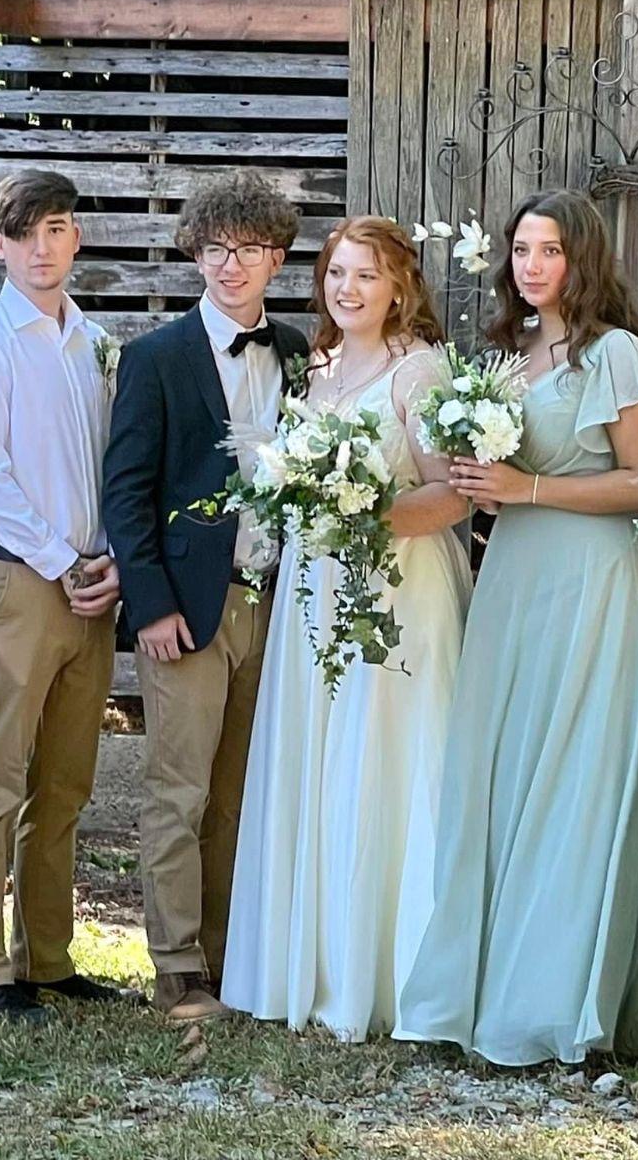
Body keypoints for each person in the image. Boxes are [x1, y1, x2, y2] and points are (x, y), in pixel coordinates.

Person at [395, 191, 638, 1064]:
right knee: (503, 773)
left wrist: (531, 490)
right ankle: (481, 988)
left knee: (574, 777)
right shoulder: (503, 359)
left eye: (548, 250)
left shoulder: (618, 356)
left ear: (581, 259)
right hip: (512, 578)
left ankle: (559, 1002)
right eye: (520, 249)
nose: (530, 265)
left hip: (592, 581)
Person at [220, 217, 472, 1040]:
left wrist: (359, 514)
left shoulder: (420, 370)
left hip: (394, 593)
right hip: (313, 588)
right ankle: (313, 963)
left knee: (385, 763)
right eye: (336, 273)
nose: (347, 289)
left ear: (399, 285)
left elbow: (450, 496)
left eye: (366, 275)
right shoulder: (317, 367)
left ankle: (393, 974)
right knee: (318, 758)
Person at [102, 169, 309, 1021]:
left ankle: (233, 958)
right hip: (188, 604)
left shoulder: (301, 356)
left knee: (241, 792)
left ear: (277, 258)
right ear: (195, 253)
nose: (231, 266)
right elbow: (125, 491)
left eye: (250, 250)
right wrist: (148, 603)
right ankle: (176, 965)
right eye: (217, 249)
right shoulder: (154, 357)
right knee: (177, 790)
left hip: (278, 601)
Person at [0, 170, 122, 1023]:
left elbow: (112, 468)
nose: (41, 248)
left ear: (74, 238)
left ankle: (47, 957)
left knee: (66, 779)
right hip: (16, 579)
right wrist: (62, 562)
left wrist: (110, 557)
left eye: (55, 229)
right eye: (24, 234)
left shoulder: (94, 343)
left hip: (92, 582)